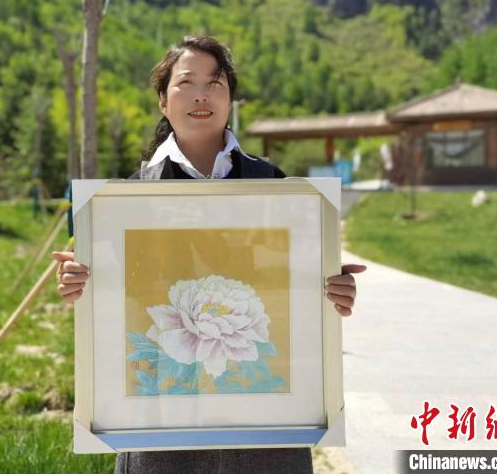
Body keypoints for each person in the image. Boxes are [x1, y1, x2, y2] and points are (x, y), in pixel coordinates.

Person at [52, 35, 366, 474]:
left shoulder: (275, 185)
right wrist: (80, 284)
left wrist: (331, 288)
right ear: (163, 102)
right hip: (160, 417)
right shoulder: (124, 200)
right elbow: (114, 297)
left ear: (230, 99)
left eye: (215, 83)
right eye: (186, 83)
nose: (201, 94)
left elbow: (293, 287)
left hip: (265, 423)